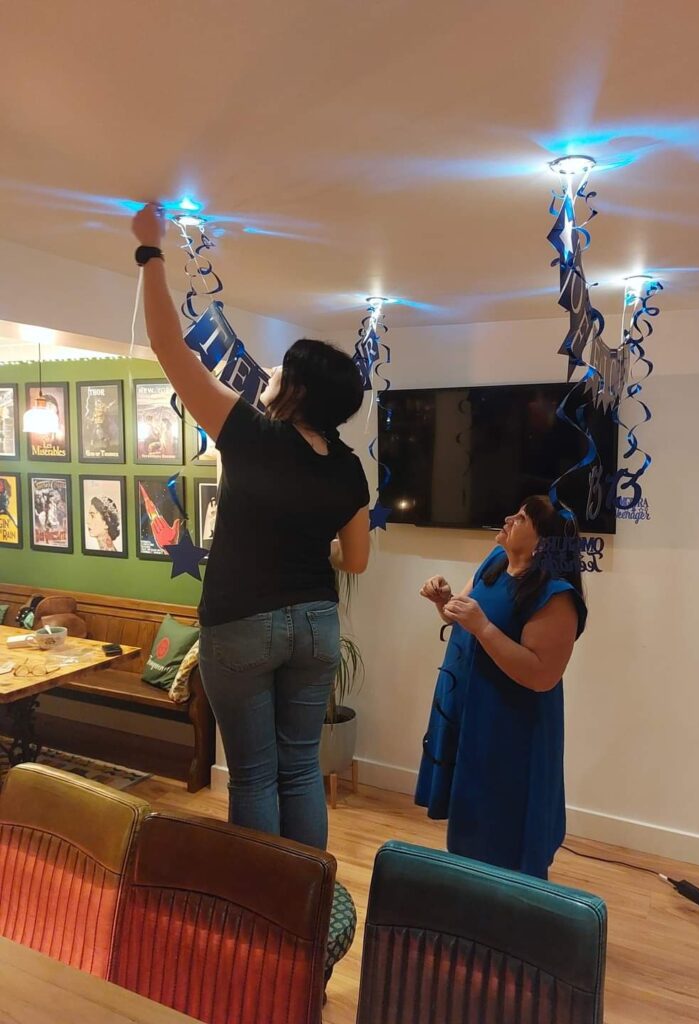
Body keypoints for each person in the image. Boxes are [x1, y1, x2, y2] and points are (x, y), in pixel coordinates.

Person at [131, 203, 370, 850]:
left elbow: (167, 346)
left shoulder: (250, 433)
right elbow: (356, 562)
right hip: (318, 625)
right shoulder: (349, 469)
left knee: (255, 777)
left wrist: (150, 250)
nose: (269, 377)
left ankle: (263, 915)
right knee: (299, 771)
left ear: (293, 389)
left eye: (280, 372)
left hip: (242, 623)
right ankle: (305, 899)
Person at [415, 495, 587, 879]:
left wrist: (483, 627)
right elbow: (461, 614)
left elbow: (543, 674)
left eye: (522, 517)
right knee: (471, 819)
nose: (508, 518)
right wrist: (444, 602)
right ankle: (473, 900)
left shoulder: (556, 595)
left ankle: (509, 913)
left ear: (542, 541)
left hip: (512, 727)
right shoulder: (494, 563)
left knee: (506, 826)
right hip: (471, 710)